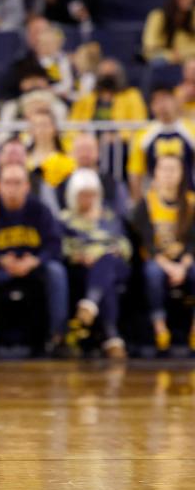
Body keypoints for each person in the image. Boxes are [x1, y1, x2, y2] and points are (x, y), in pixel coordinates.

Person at [0, 164, 68, 357]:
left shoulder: (40, 210)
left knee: (56, 271)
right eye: (8, 182)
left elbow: (55, 245)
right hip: (0, 268)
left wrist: (35, 261)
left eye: (18, 183)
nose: (12, 188)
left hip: (33, 268)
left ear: (27, 186)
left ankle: (58, 338)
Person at [60, 168, 130, 359]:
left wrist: (117, 250)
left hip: (115, 264)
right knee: (105, 282)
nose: (88, 199)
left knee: (107, 261)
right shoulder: (66, 219)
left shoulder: (109, 216)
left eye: (92, 194)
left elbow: (125, 243)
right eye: (83, 195)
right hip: (84, 267)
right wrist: (79, 255)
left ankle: (90, 303)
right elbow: (63, 247)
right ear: (73, 195)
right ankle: (112, 336)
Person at [132, 155, 195, 354]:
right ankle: (160, 328)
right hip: (157, 260)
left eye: (173, 169)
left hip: (184, 260)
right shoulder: (146, 204)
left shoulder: (191, 203)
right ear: (155, 174)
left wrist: (182, 267)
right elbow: (149, 245)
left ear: (181, 174)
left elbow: (193, 244)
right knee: (153, 274)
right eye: (164, 169)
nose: (168, 174)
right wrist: (169, 267)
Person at [127, 87, 195, 201]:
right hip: (155, 199)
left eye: (165, 99)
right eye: (157, 102)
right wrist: (138, 202)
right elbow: (135, 172)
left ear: (175, 101)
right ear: (152, 107)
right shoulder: (143, 135)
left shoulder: (191, 130)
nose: (162, 106)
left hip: (188, 196)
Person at [56, 132, 129, 218]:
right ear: (72, 153)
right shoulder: (61, 184)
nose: (84, 154)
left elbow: (121, 214)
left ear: (98, 152)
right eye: (80, 149)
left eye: (89, 149)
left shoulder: (112, 183)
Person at [69, 58, 148, 123]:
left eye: (110, 76)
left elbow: (139, 122)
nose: (107, 81)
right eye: (104, 76)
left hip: (123, 141)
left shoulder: (132, 95)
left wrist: (121, 136)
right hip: (88, 140)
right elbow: (72, 126)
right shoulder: (86, 98)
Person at [143, 0, 195, 64]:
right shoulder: (157, 16)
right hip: (163, 59)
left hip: (188, 60)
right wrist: (171, 55)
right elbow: (150, 46)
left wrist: (181, 54)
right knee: (158, 61)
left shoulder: (193, 16)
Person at [0, 67, 69, 125]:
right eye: (28, 79)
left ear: (46, 81)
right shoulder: (12, 106)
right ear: (21, 83)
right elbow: (2, 136)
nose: (34, 82)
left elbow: (64, 135)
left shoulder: (58, 106)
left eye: (38, 78)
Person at [26, 110, 75, 189]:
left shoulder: (67, 159)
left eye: (45, 125)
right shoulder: (24, 158)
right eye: (37, 125)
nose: (41, 129)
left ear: (54, 128)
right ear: (31, 130)